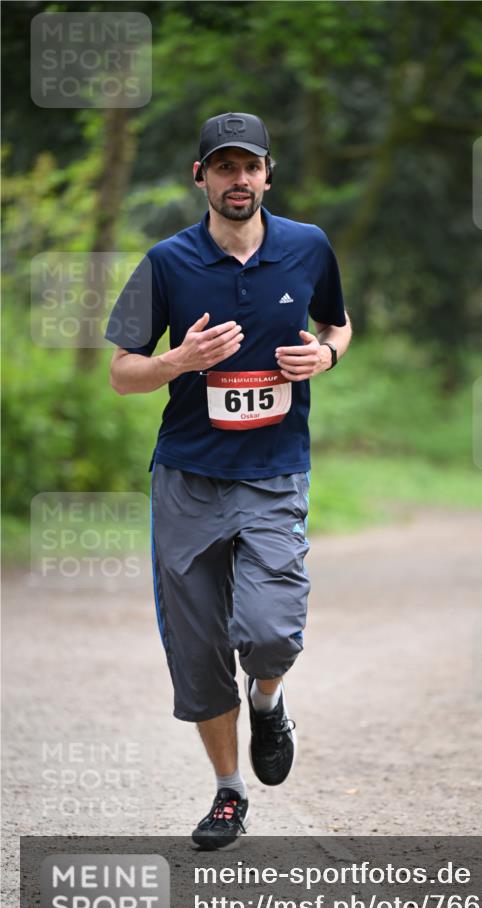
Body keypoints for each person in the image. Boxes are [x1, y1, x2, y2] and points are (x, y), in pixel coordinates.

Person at [106, 112, 352, 847]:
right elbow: (122, 373)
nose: (238, 180)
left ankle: (268, 702)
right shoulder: (165, 263)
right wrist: (177, 361)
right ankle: (226, 792)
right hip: (188, 478)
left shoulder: (308, 246)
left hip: (274, 474)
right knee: (199, 647)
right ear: (200, 177)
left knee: (270, 632)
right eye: (223, 167)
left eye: (250, 167)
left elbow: (338, 324)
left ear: (268, 175)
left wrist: (325, 357)